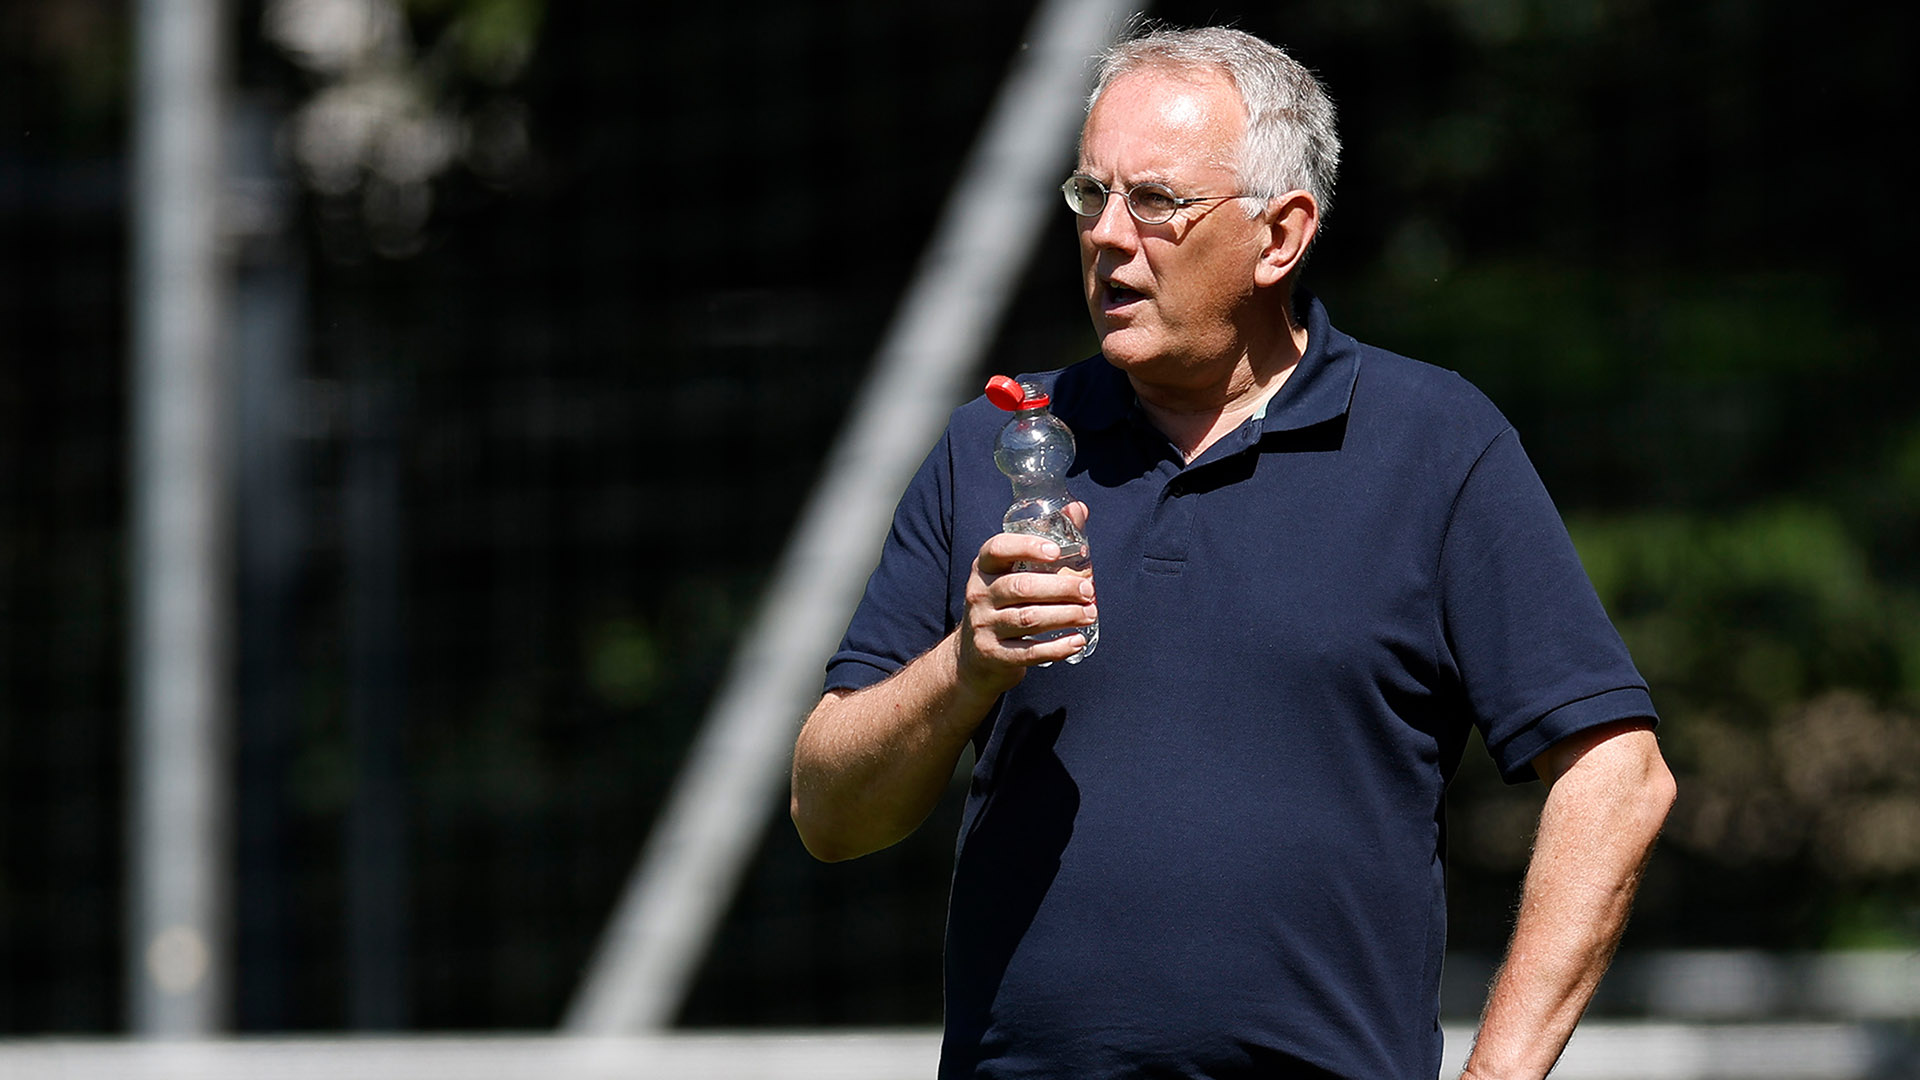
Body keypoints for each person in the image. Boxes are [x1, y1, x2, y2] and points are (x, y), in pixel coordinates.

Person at [790, 24, 1674, 1080]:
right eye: (1089, 197)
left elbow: (1619, 777)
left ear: (1280, 237)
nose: (1108, 236)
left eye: (1156, 201)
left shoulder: (1431, 442)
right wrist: (966, 665)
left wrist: (1497, 1074)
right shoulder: (997, 448)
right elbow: (831, 813)